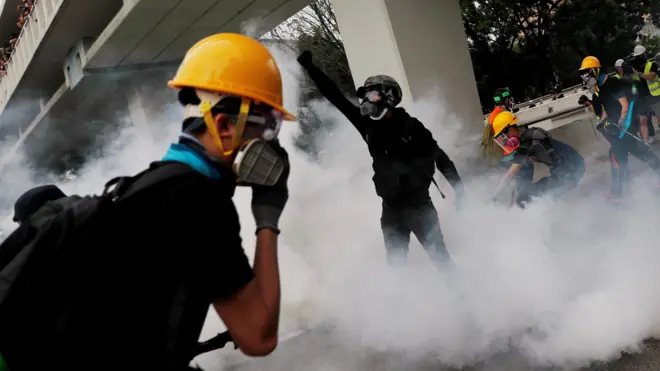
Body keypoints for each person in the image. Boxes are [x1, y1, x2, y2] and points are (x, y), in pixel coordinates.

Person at [0, 33, 295, 371]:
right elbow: (258, 337)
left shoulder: (155, 182)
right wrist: (267, 218)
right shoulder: (199, 202)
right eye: (267, 128)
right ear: (225, 125)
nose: (271, 142)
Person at [297, 50, 464, 269]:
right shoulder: (367, 125)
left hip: (420, 208)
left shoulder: (411, 126)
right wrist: (310, 68)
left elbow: (441, 159)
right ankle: (400, 302)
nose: (367, 99)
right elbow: (335, 96)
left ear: (390, 96)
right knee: (396, 266)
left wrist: (460, 190)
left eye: (373, 94)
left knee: (441, 260)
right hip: (391, 210)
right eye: (366, 94)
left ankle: (463, 298)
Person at [580, 55, 660, 200]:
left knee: (619, 155)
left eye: (588, 74)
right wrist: (602, 123)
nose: (586, 78)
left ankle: (618, 193)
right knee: (638, 152)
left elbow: (625, 105)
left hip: (626, 124)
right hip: (618, 128)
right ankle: (621, 190)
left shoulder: (611, 84)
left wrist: (622, 120)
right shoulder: (599, 91)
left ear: (595, 71)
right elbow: (605, 112)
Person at [490, 111, 585, 207]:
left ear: (510, 129)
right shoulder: (530, 135)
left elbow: (514, 169)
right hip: (570, 169)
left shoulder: (527, 141)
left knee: (526, 199)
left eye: (504, 136)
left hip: (568, 173)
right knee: (534, 196)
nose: (505, 141)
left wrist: (495, 193)